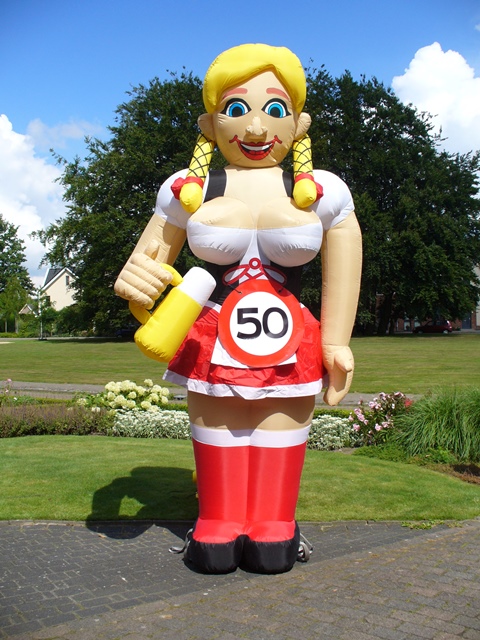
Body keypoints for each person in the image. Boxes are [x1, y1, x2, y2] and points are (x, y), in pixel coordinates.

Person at [114, 43, 362, 574]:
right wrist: (135, 284)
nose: (254, 127)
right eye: (235, 108)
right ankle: (219, 519)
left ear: (298, 124)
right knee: (221, 428)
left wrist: (337, 342)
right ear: (210, 124)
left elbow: (344, 260)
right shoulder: (189, 189)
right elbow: (147, 264)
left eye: (274, 109)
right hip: (212, 333)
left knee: (277, 426)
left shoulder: (323, 191)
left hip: (291, 337)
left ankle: (274, 523)